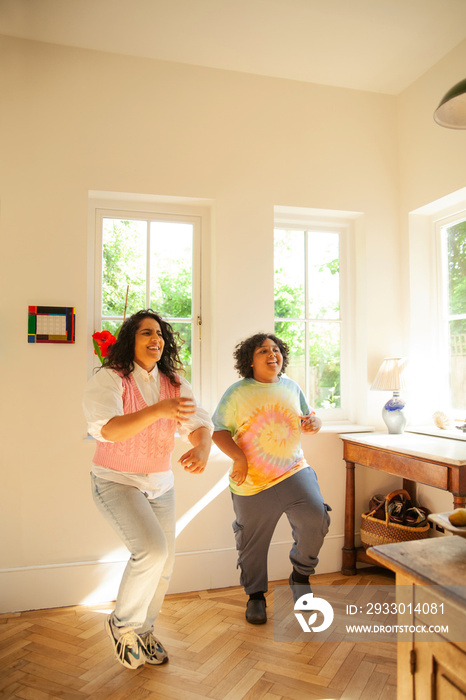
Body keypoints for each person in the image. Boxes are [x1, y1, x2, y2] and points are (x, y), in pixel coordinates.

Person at [83, 309, 212, 669]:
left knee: (165, 563)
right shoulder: (110, 379)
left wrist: (200, 448)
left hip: (160, 483)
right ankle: (121, 625)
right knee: (152, 552)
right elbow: (109, 430)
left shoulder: (174, 382)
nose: (156, 340)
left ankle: (143, 630)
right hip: (115, 480)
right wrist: (158, 411)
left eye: (159, 334)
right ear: (130, 340)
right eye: (146, 333)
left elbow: (199, 423)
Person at [212, 333, 330, 625]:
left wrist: (315, 421)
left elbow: (310, 416)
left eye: (275, 349)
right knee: (252, 543)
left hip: (294, 470)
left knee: (316, 518)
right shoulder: (237, 393)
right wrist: (238, 458)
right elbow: (218, 431)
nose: (271, 354)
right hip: (252, 480)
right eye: (263, 350)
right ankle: (255, 596)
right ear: (250, 361)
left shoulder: (291, 386)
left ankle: (300, 577)